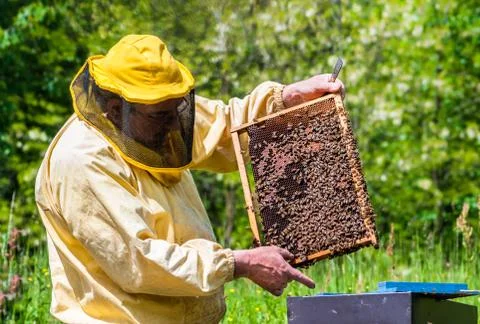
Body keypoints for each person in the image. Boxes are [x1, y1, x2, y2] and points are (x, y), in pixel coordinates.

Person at [35, 34, 344, 324]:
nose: (173, 126)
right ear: (116, 110)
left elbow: (223, 126)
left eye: (176, 111)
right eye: (161, 116)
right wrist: (238, 263)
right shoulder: (83, 160)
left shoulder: (149, 118)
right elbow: (139, 261)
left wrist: (285, 99)